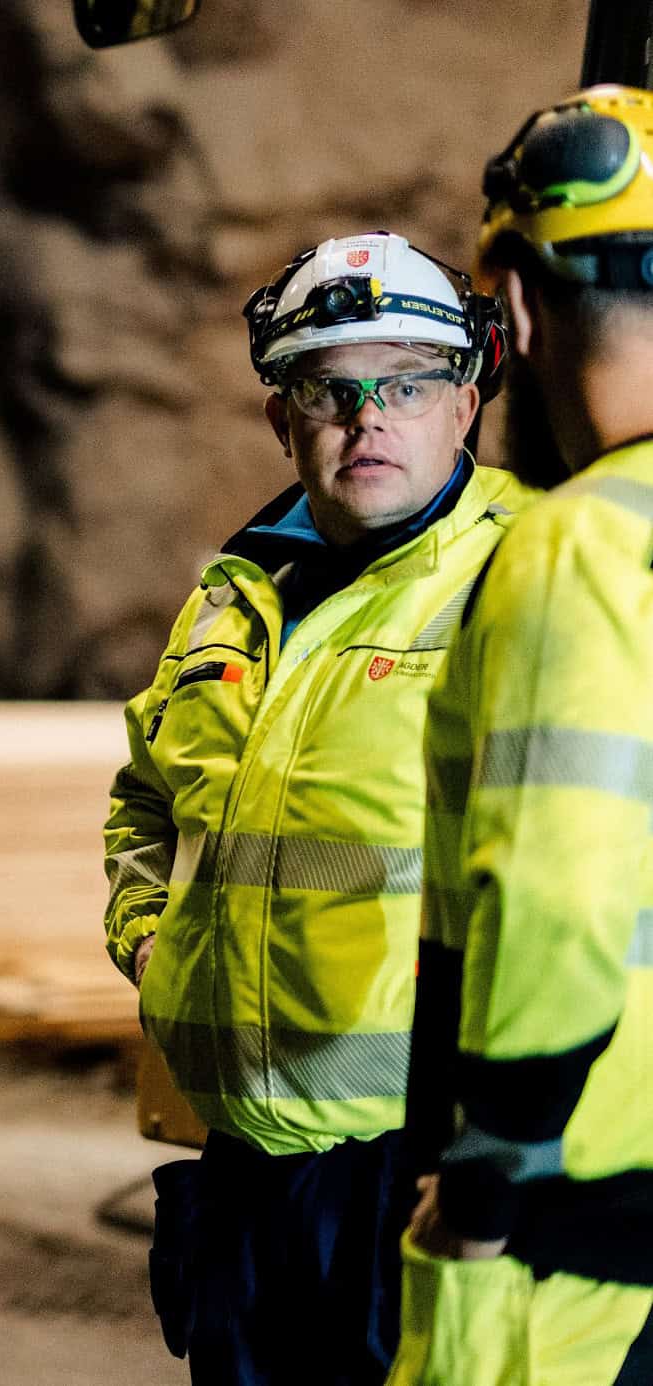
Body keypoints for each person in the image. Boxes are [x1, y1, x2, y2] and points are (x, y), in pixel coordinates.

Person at [102, 229, 533, 1383]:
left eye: (405, 381)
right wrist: (146, 939)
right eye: (327, 389)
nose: (366, 418)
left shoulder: (522, 582)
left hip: (417, 1167)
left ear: (467, 396)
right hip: (240, 1166)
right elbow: (144, 799)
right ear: (278, 418)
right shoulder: (231, 598)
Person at [390, 85, 653, 1385]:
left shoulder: (582, 543)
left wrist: (483, 1184)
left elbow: (557, 890)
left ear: (525, 310)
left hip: (587, 1221)